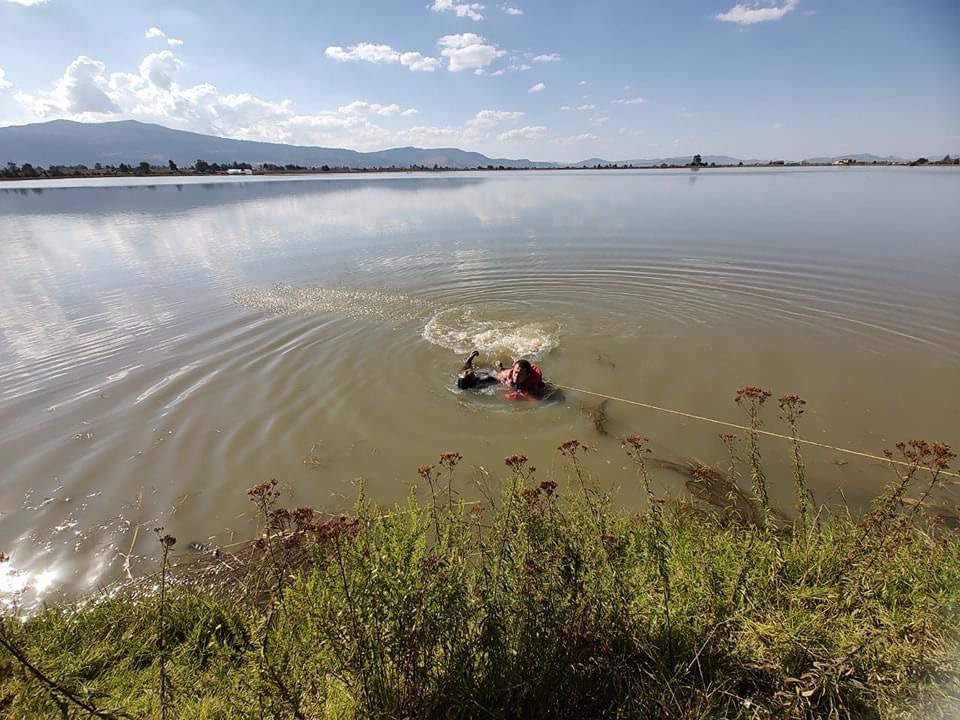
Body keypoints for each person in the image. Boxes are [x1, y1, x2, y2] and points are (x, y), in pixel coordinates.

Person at [456, 351, 545, 399]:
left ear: (527, 375)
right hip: (494, 377)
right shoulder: (507, 375)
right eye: (516, 372)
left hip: (491, 375)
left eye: (521, 374)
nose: (516, 376)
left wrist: (469, 360)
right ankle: (501, 368)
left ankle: (500, 368)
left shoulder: (533, 383)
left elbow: (534, 399)